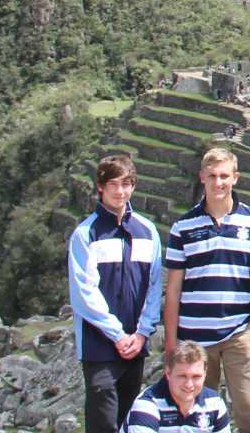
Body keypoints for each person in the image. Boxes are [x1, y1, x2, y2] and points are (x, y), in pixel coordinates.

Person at [164, 148, 250, 427]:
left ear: (235, 177)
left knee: (249, 409)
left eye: (224, 176)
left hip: (239, 333)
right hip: (194, 336)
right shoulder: (182, 227)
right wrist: (171, 342)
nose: (218, 182)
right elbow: (173, 289)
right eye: (212, 176)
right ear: (202, 177)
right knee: (195, 411)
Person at [68, 154, 164, 433]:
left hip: (135, 344)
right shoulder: (86, 234)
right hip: (99, 345)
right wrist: (118, 335)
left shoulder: (147, 231)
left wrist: (143, 333)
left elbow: (154, 285)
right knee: (102, 422)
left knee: (129, 420)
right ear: (100, 186)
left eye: (126, 184)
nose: (120, 191)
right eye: (113, 184)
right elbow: (84, 293)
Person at [125, 341, 233, 433]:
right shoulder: (146, 405)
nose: (189, 384)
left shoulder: (215, 403)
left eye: (196, 377)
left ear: (205, 373)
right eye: (182, 376)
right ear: (168, 373)